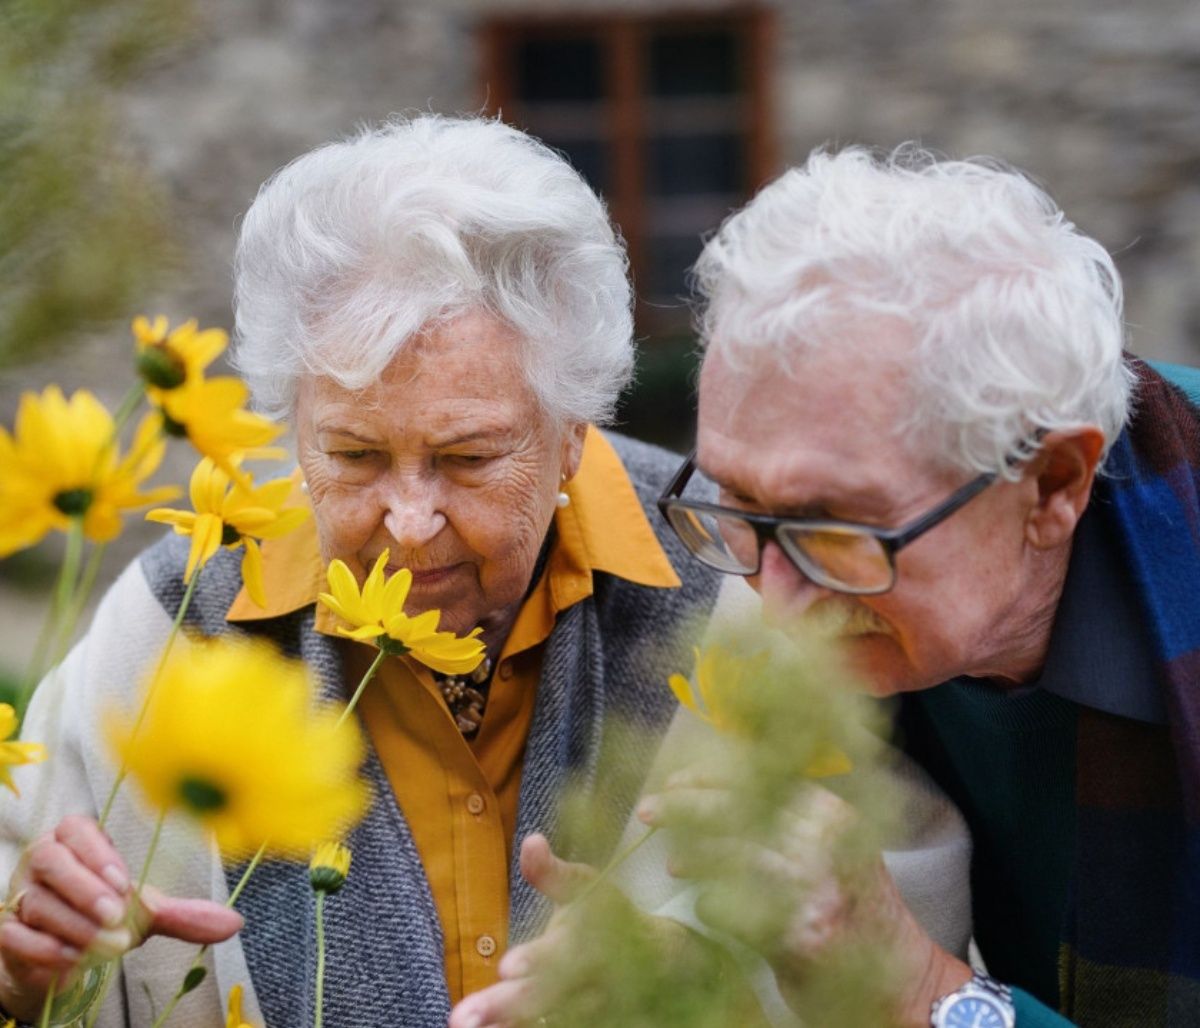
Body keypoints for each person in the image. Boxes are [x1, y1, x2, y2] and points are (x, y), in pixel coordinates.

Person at [0, 115, 721, 1026]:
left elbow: (881, 960)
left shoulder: (728, 583)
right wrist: (30, 976)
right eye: (352, 456)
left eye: (468, 459)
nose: (410, 525)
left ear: (572, 432)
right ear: (292, 427)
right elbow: (26, 917)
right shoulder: (177, 621)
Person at [646, 146, 1200, 1025]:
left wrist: (924, 994)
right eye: (738, 502)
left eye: (839, 531)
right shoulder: (796, 570)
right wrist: (658, 953)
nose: (777, 607)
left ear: (1053, 484)